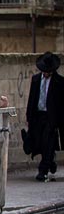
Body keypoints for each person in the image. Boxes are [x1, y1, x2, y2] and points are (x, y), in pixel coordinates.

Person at [25, 52, 64, 181]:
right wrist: (29, 117)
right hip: (38, 115)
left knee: (48, 141)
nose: (46, 73)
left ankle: (43, 169)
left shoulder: (59, 82)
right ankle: (50, 161)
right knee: (39, 142)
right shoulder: (36, 80)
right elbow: (32, 99)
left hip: (51, 117)